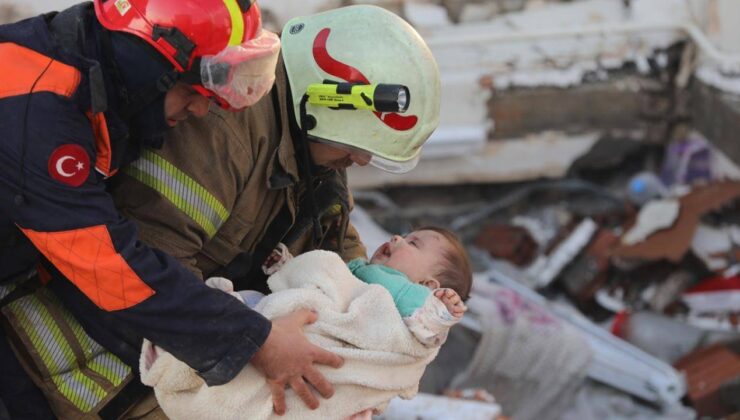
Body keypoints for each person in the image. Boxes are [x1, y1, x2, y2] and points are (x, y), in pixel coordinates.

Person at [0, 1, 341, 418]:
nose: (200, 109)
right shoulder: (39, 112)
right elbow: (108, 267)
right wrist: (256, 340)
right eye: (188, 91)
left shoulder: (94, 75)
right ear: (144, 63)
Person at [110, 5, 441, 415]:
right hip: (102, 378)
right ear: (326, 101)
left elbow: (336, 248)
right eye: (357, 149)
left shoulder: (314, 149)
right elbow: (149, 266)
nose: (359, 162)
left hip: (183, 366)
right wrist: (260, 340)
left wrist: (383, 338)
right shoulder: (225, 131)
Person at [139, 227, 472, 420]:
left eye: (413, 244)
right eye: (405, 234)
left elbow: (425, 333)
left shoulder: (409, 296)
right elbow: (322, 279)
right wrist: (289, 267)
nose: (398, 238)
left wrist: (441, 312)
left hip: (327, 348)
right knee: (257, 309)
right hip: (306, 325)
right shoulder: (359, 272)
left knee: (255, 324)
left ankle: (187, 354)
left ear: (429, 286)